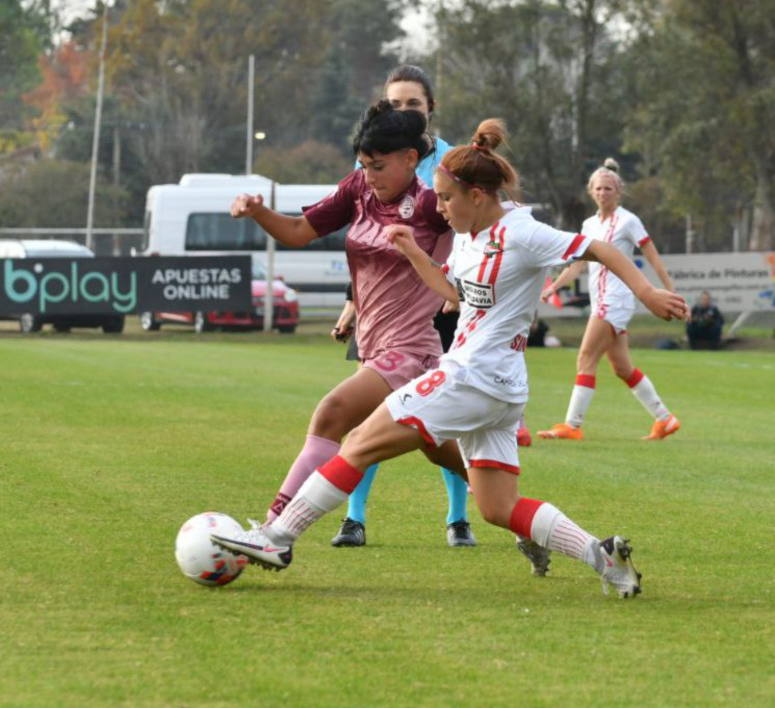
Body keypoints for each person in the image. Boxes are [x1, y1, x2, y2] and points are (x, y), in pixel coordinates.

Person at [212, 120, 689, 598]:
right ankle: (603, 557)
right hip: (499, 388)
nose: (437, 207)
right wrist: (413, 250)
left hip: (472, 377)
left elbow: (599, 248)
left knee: (357, 441)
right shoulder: (468, 233)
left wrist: (647, 290)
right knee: (498, 507)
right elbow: (453, 292)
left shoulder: (522, 231)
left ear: (477, 194)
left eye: (444, 198)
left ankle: (277, 539)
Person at [232, 99, 476, 550]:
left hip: (412, 353)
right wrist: (258, 212)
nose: (369, 175)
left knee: (331, 414)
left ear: (411, 159)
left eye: (378, 166)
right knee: (449, 455)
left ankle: (273, 530)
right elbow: (299, 232)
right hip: (375, 348)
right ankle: (518, 509)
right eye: (363, 165)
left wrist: (465, 291)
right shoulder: (357, 191)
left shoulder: (427, 206)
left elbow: (479, 230)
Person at [327, 64, 475, 549]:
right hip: (382, 311)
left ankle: (459, 518)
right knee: (367, 415)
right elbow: (364, 238)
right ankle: (354, 517)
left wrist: (461, 289)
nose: (404, 111)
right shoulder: (368, 163)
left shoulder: (454, 160)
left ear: (430, 110)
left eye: (413, 103)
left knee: (442, 419)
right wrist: (351, 303)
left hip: (443, 306)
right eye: (395, 104)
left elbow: (476, 226)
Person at [537, 159, 682, 442]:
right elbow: (578, 264)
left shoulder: (628, 220)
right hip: (602, 299)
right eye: (599, 188)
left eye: (608, 188)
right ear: (591, 191)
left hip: (615, 300)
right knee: (622, 368)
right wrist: (554, 286)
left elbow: (652, 256)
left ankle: (572, 424)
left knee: (585, 357)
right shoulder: (589, 224)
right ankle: (665, 419)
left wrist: (668, 289)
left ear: (618, 191)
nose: (603, 192)